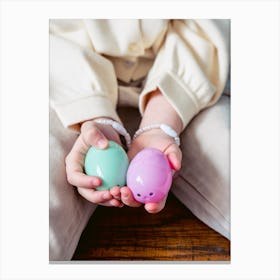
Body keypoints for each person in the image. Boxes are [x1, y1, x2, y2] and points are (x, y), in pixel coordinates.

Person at [49, 19, 230, 261]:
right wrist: (92, 112)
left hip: (188, 87)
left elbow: (208, 24)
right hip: (66, 93)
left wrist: (160, 122)